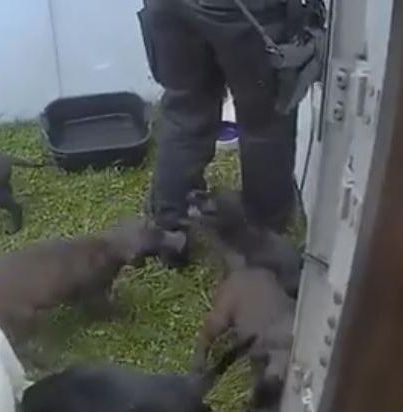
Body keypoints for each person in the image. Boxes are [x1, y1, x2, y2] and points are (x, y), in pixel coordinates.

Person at [138, 0, 325, 266]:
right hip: (247, 10)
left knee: (184, 114)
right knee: (265, 128)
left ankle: (171, 232)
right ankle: (264, 239)